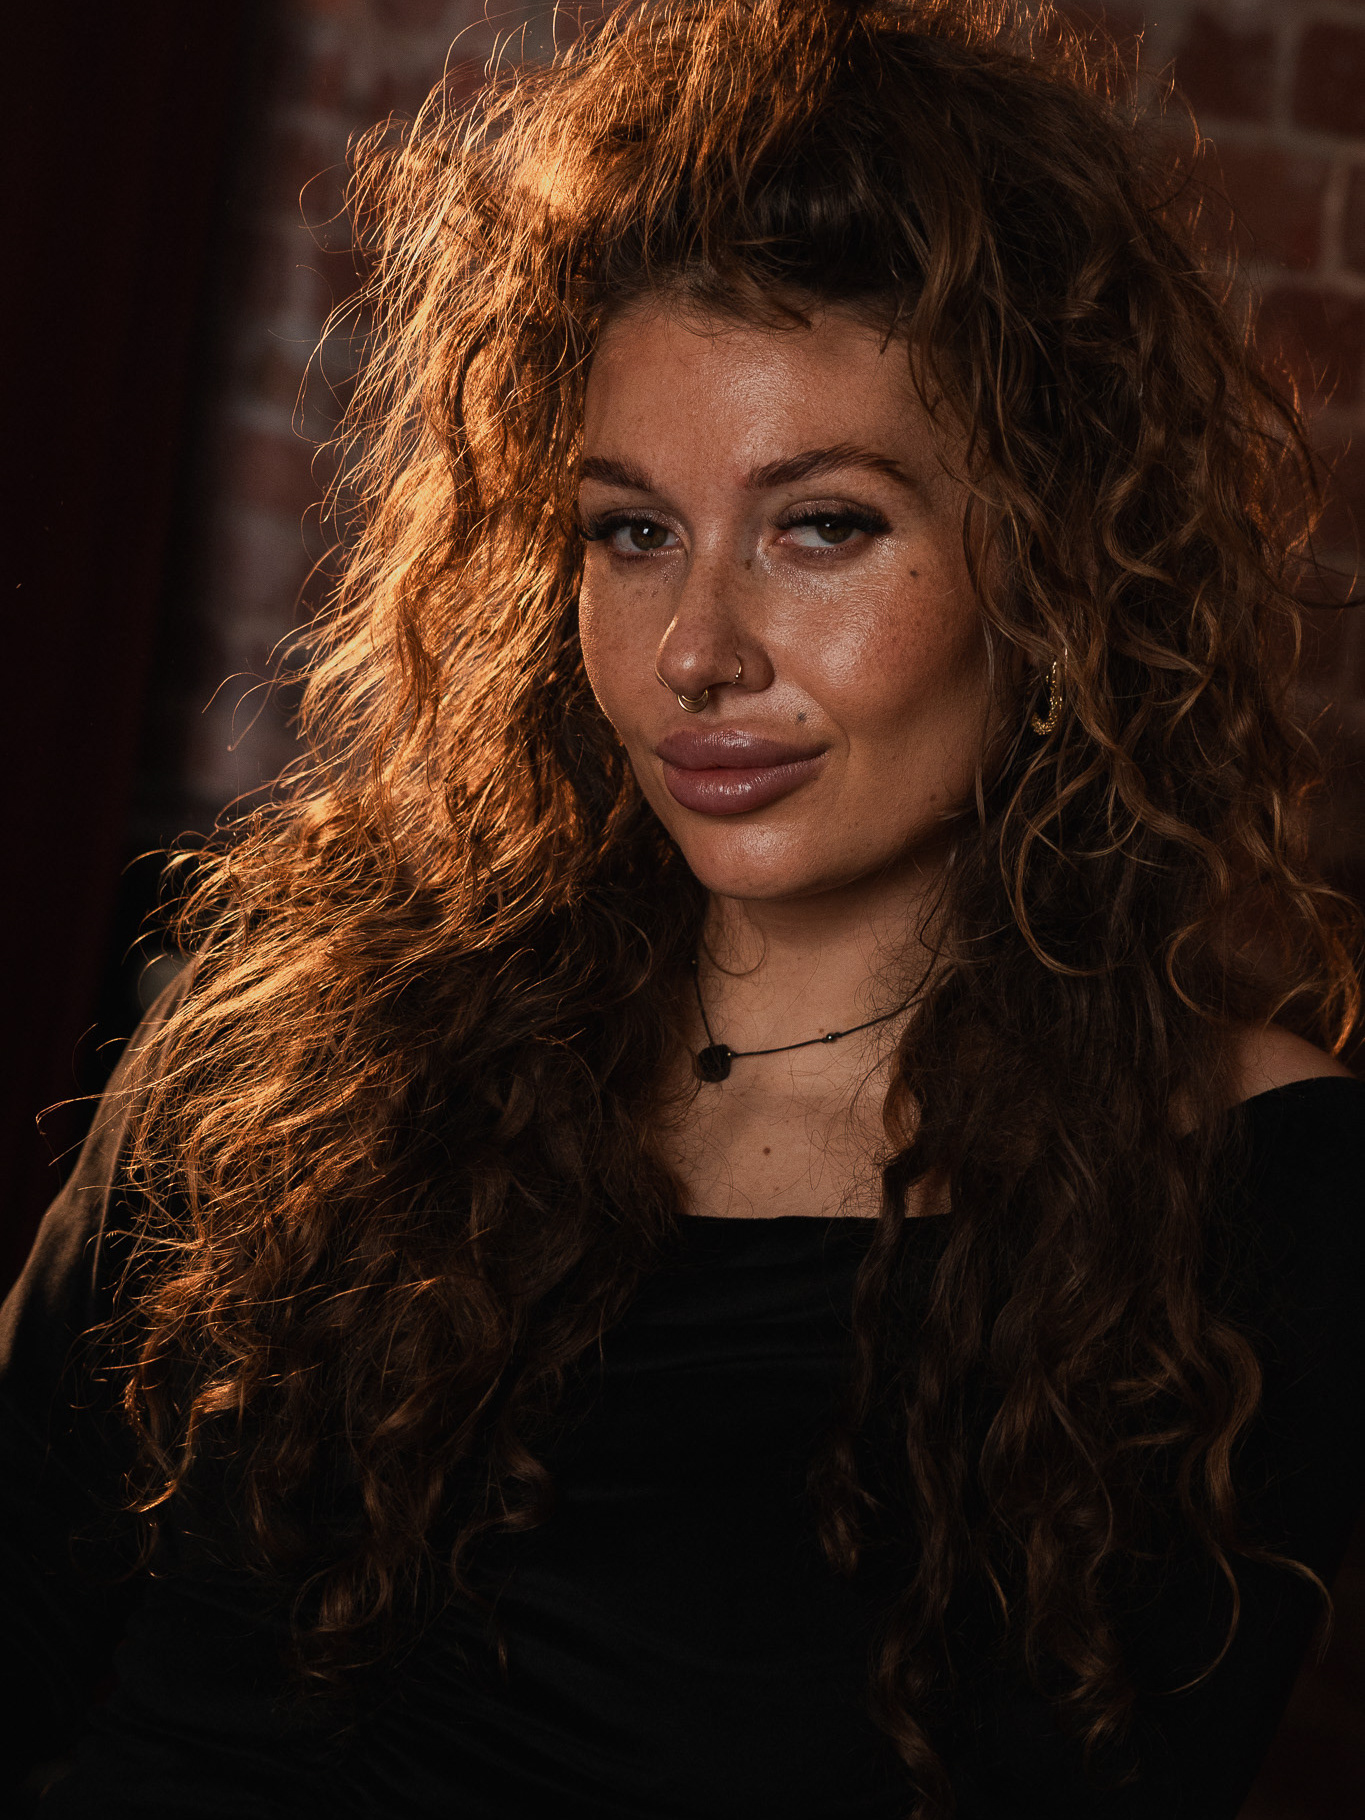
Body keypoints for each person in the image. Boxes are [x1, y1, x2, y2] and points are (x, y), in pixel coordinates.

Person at [4, 1, 1363, 1814]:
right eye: (631, 531)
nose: (693, 653)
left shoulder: (1247, 1199)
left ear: (1051, 566)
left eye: (823, 527)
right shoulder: (296, 1027)